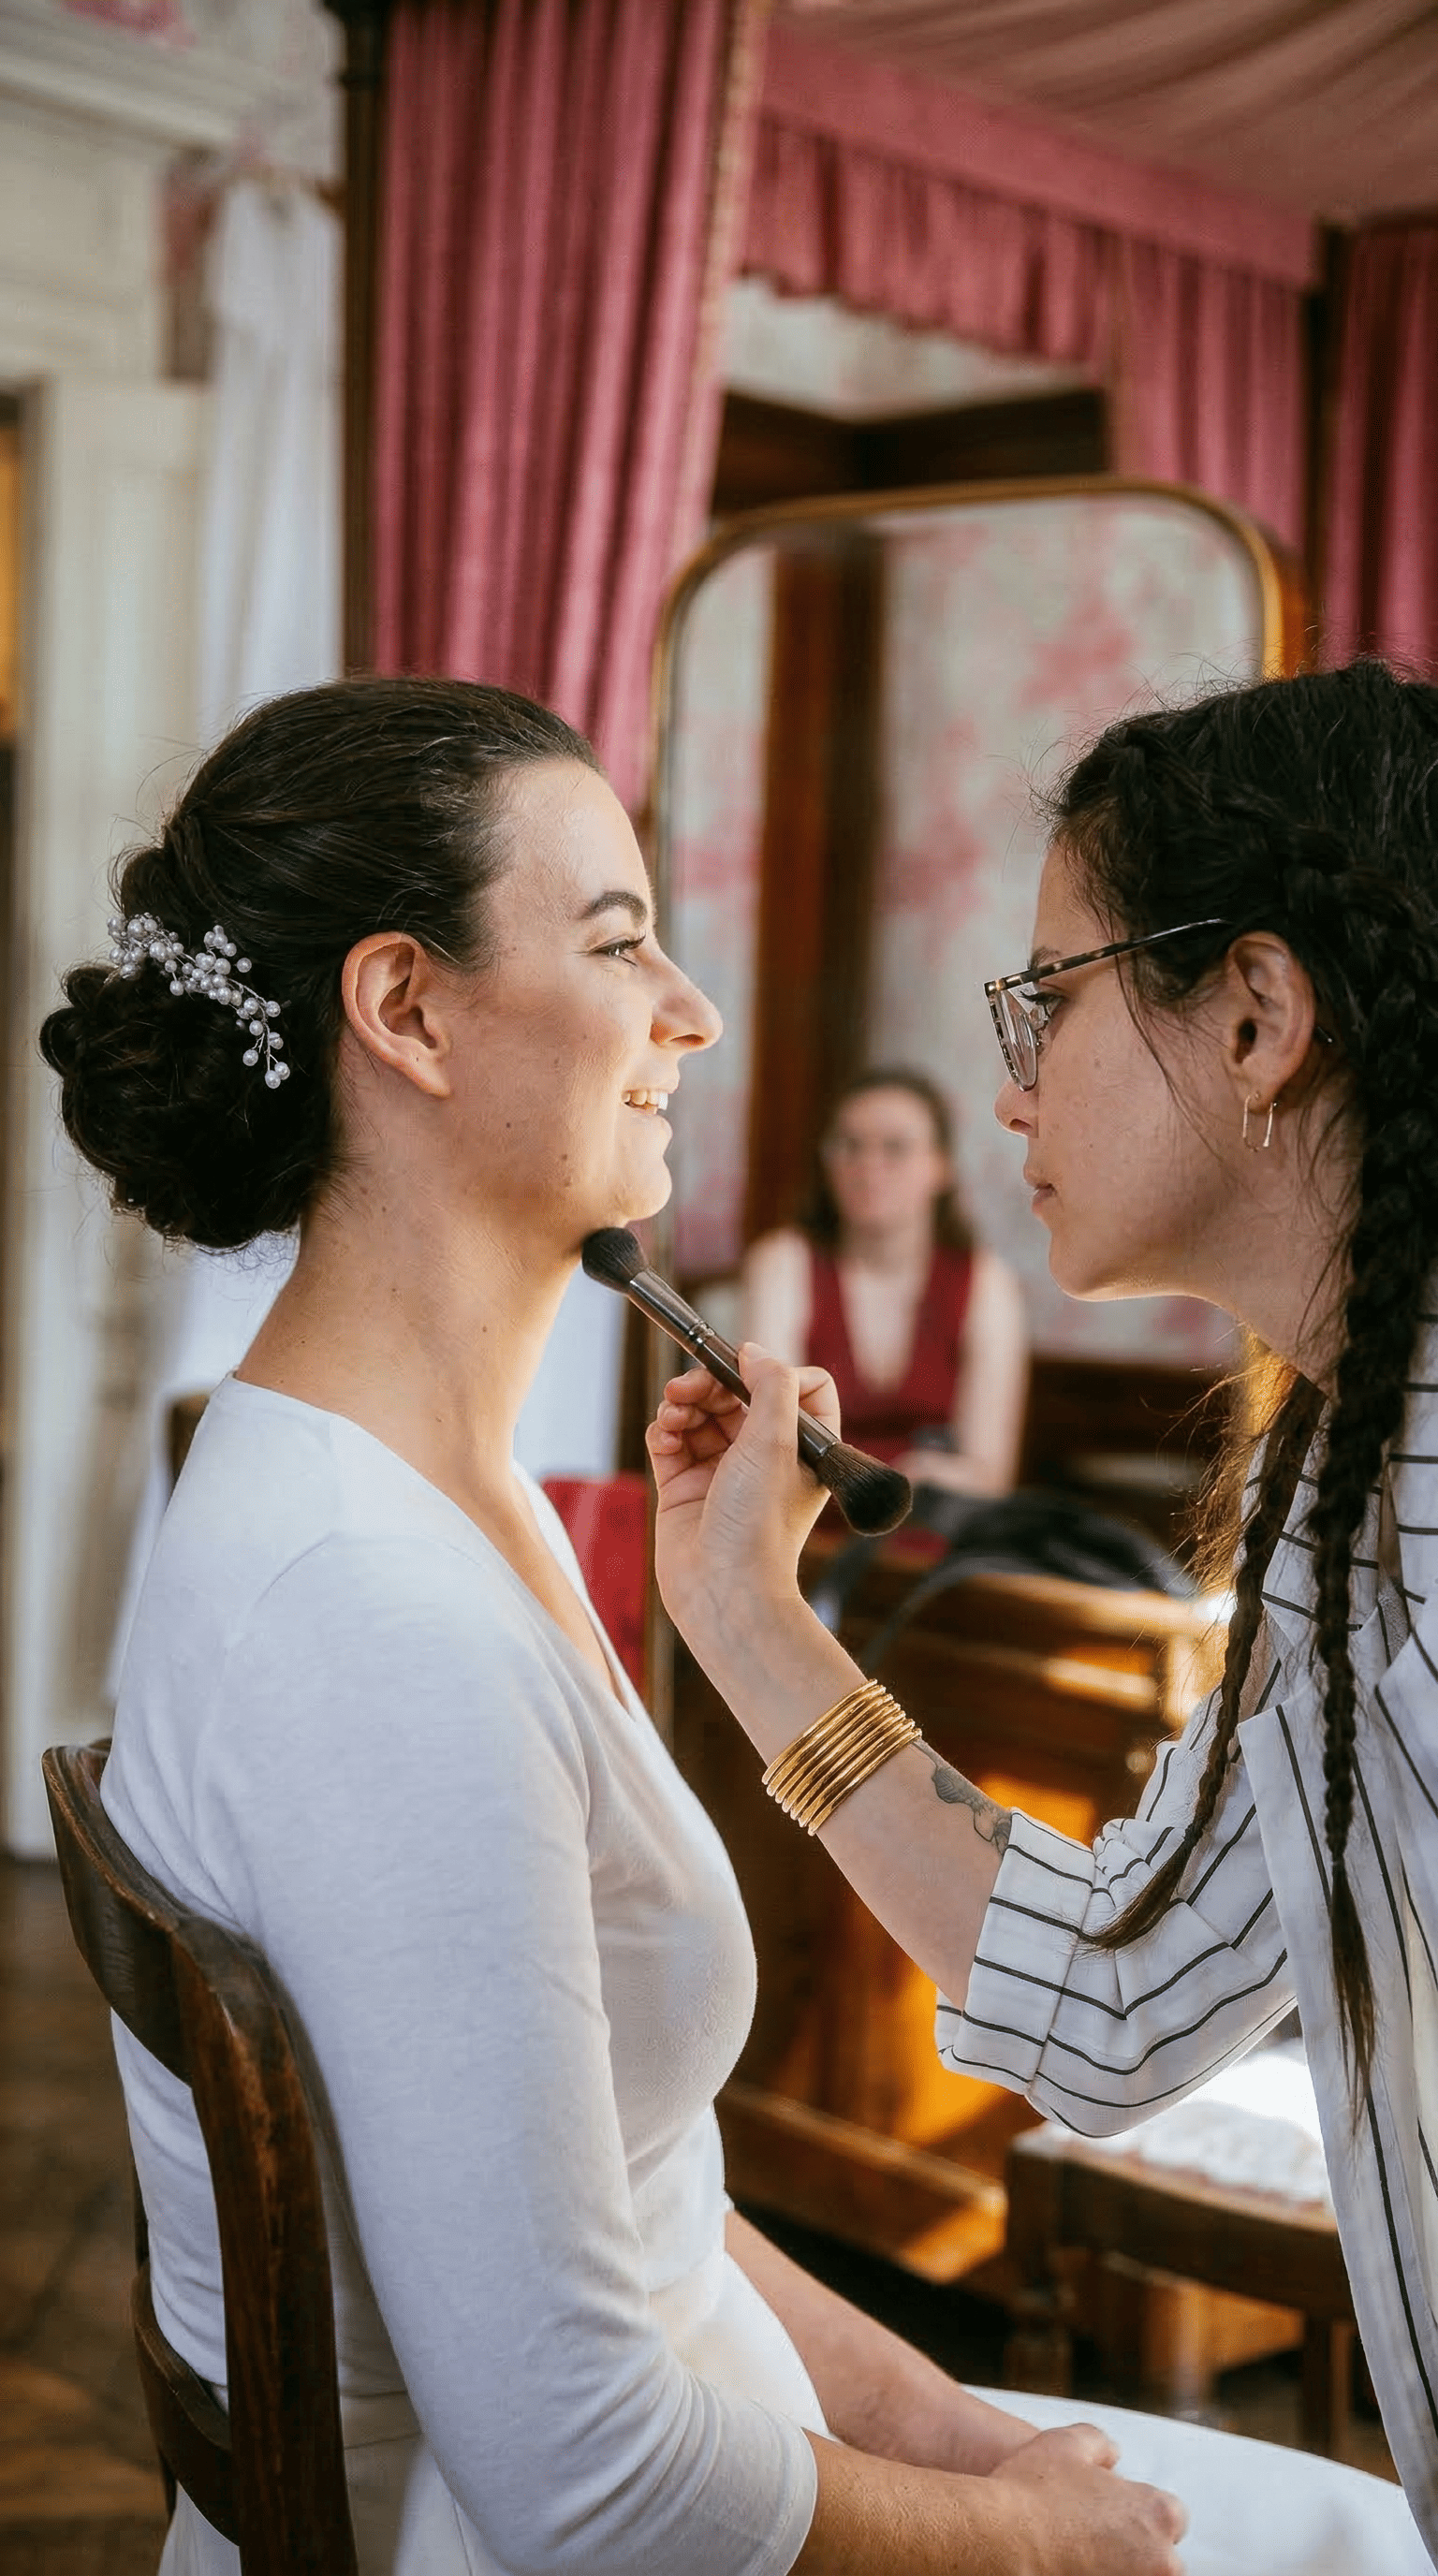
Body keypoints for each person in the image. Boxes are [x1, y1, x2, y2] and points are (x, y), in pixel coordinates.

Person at [41, 677, 1186, 2576]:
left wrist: (978, 2445)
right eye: (617, 936)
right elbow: (593, 2480)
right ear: (404, 1008)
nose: (695, 1007)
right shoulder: (374, 1609)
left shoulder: (431, 1498)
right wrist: (1034, 2544)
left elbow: (630, 2195)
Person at [648, 662, 1438, 2567]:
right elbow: (1115, 1999)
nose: (1010, 1085)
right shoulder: (1345, 1487)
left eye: (1048, 997)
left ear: (1256, 1017)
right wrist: (746, 1616)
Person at [741, 1069, 1028, 1500]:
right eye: (850, 1146)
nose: (868, 1167)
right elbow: (772, 1440)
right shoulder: (782, 1263)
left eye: (895, 1148)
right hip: (804, 1520)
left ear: (941, 1167)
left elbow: (989, 1474)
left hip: (930, 1531)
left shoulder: (987, 1284)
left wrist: (923, 1478)